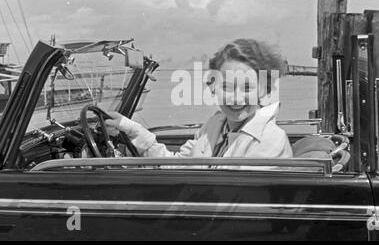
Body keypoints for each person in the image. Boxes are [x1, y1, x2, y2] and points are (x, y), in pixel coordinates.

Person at [104, 38, 293, 160]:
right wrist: (134, 131)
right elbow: (179, 166)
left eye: (247, 88)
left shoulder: (269, 141)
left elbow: (226, 195)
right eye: (226, 86)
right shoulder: (215, 126)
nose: (236, 98)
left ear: (262, 90)